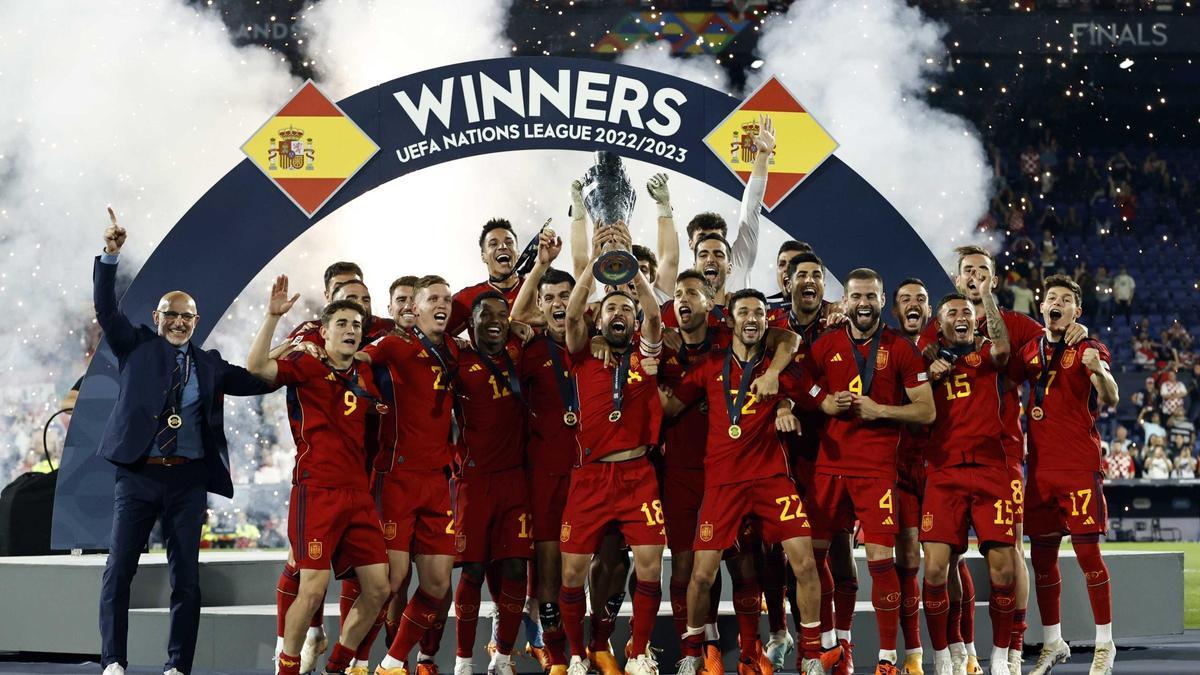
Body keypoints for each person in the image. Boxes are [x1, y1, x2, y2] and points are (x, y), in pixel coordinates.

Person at [95, 209, 276, 675]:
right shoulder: (134, 346)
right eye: (170, 314)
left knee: (187, 580)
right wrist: (110, 256)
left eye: (186, 316)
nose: (178, 321)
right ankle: (113, 661)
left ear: (197, 320)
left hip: (188, 481)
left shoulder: (211, 364)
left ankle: (178, 666)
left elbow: (261, 380)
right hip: (137, 475)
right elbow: (105, 309)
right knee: (119, 572)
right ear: (157, 318)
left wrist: (285, 336)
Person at [663, 289, 830, 675]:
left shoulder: (782, 369)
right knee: (701, 573)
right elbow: (672, 406)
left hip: (772, 479)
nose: (752, 318)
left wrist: (793, 406)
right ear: (732, 321)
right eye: (744, 313)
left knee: (803, 563)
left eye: (759, 313)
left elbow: (819, 400)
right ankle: (691, 655)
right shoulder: (710, 365)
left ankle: (810, 656)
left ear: (766, 322)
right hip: (723, 483)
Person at [246, 279, 392, 675]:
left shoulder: (365, 372)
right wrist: (273, 319)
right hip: (317, 491)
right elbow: (256, 368)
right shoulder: (307, 365)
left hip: (358, 495)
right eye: (341, 323)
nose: (350, 330)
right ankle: (288, 668)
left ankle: (338, 665)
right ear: (323, 332)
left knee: (380, 588)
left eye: (356, 325)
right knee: (311, 589)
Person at [806, 268, 935, 675]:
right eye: (856, 296)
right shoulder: (825, 345)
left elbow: (926, 410)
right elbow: (799, 385)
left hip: (877, 470)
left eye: (871, 296)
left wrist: (882, 410)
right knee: (813, 559)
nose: (864, 303)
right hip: (829, 467)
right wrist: (821, 400)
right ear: (845, 301)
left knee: (882, 563)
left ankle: (886, 659)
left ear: (883, 301)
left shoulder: (900, 348)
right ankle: (832, 643)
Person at [559, 227, 665, 675]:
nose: (619, 312)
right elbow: (569, 317)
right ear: (598, 320)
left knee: (648, 566)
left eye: (626, 307)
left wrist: (631, 270)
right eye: (611, 308)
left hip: (639, 475)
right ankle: (578, 655)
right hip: (590, 477)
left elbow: (656, 319)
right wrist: (592, 267)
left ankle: (638, 652)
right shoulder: (583, 353)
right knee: (570, 576)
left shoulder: (647, 352)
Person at [1016, 275, 1120, 675]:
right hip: (1039, 471)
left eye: (1065, 299)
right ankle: (1053, 641)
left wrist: (1099, 371)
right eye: (1050, 298)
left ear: (1077, 310)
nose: (1056, 303)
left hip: (1078, 467)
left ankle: (1104, 644)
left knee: (1088, 555)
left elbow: (1109, 396)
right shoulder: (1031, 351)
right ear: (1042, 308)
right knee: (1042, 561)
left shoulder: (1089, 348)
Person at [364, 276, 462, 675]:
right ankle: (352, 661)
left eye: (447, 299)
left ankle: (391, 663)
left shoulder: (455, 349)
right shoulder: (394, 343)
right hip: (398, 477)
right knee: (392, 581)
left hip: (438, 481)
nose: (442, 304)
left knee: (438, 584)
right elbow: (356, 359)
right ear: (414, 309)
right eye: (433, 298)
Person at [920, 292, 1018, 675]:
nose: (962, 316)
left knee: (1004, 571)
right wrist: (928, 376)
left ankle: (998, 658)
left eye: (967, 312)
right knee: (934, 571)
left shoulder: (989, 355)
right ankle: (943, 658)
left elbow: (1005, 347)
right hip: (943, 473)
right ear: (939, 323)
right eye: (952, 313)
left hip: (991, 470)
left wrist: (987, 300)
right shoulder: (923, 361)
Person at [450, 292, 533, 675]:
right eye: (487, 315)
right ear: (472, 322)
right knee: (473, 571)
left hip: (515, 480)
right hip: (474, 481)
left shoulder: (521, 352)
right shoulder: (457, 359)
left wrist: (520, 324)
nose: (496, 321)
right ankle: (464, 660)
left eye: (504, 315)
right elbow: (431, 334)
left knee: (517, 568)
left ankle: (502, 658)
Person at [890, 279, 932, 675]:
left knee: (946, 562)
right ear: (895, 310)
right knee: (907, 561)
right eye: (906, 299)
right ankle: (913, 655)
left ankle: (963, 653)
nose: (914, 304)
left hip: (939, 468)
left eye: (921, 299)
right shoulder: (886, 349)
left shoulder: (947, 347)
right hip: (899, 469)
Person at [450, 219, 526, 335]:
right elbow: (434, 337)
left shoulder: (538, 290)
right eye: (493, 244)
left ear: (518, 252)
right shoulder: (466, 298)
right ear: (483, 256)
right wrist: (459, 346)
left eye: (509, 243)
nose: (502, 246)